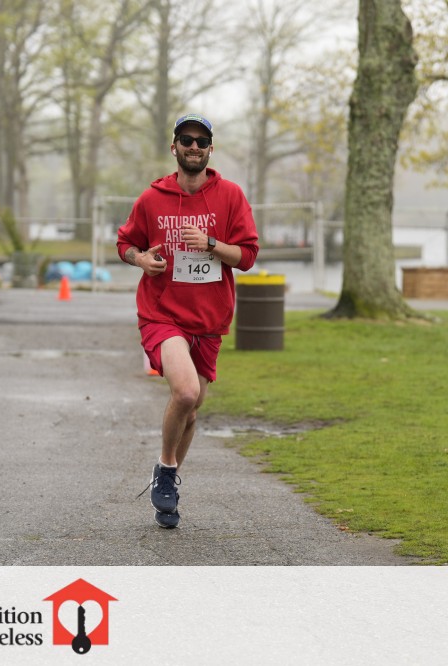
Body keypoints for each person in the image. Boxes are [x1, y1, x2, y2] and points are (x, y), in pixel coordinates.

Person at [118, 114, 259, 528]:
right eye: (186, 139)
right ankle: (166, 469)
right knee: (185, 393)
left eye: (201, 141)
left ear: (210, 149)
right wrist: (141, 260)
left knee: (193, 410)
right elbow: (125, 243)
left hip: (209, 319)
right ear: (174, 147)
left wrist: (212, 244)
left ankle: (168, 485)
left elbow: (248, 257)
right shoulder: (152, 198)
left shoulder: (230, 196)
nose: (193, 147)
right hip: (162, 313)